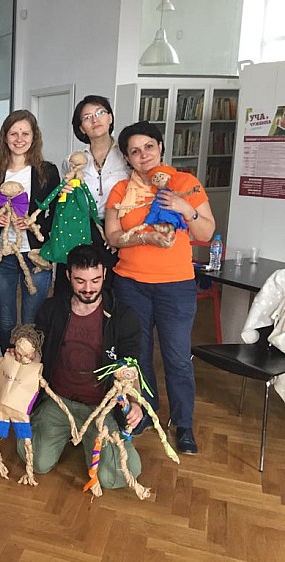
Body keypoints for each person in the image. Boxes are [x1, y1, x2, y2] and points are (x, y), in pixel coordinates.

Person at [105, 121, 215, 455]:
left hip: (175, 287)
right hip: (130, 284)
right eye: (135, 151)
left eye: (149, 147)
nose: (144, 155)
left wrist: (186, 209)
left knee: (177, 357)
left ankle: (183, 424)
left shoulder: (185, 183)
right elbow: (112, 237)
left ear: (161, 147)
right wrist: (145, 237)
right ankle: (144, 412)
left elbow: (206, 232)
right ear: (127, 158)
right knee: (137, 355)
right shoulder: (121, 190)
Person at [19, 244, 143, 488]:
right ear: (68, 276)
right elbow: (36, 343)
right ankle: (64, 431)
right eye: (80, 281)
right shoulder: (52, 308)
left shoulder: (123, 316)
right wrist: (26, 352)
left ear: (104, 274)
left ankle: (87, 435)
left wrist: (134, 402)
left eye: (95, 280)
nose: (88, 288)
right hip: (58, 400)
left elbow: (131, 365)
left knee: (117, 476)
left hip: (101, 407)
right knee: (37, 462)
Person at [0, 109, 60, 354]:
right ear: (5, 137)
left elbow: (56, 214)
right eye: (13, 133)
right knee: (6, 323)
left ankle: (31, 372)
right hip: (2, 255)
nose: (19, 139)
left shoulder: (47, 172)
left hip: (36, 256)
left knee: (32, 323)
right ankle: (6, 371)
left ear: (34, 136)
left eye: (25, 133)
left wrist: (36, 226)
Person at [54, 95, 131, 295]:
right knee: (73, 284)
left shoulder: (127, 156)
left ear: (110, 118)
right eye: (87, 117)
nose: (95, 120)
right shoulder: (72, 160)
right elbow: (68, 196)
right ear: (81, 128)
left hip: (116, 227)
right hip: (80, 227)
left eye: (100, 113)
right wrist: (63, 192)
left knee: (109, 287)